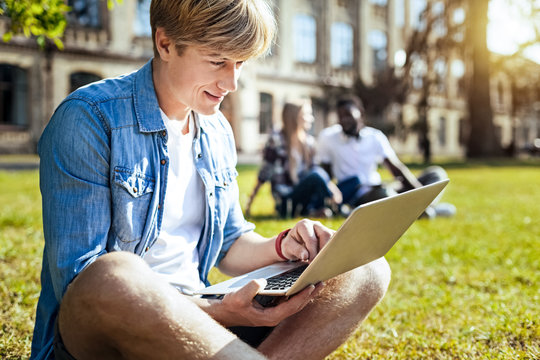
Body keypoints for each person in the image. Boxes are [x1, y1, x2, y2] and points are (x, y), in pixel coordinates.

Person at [31, 2, 391, 360]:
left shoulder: (216, 130)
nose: (231, 83)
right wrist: (215, 312)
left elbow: (229, 242)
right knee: (114, 272)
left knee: (366, 268)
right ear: (165, 44)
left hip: (205, 325)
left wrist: (284, 246)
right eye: (219, 61)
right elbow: (80, 284)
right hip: (115, 330)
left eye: (240, 63)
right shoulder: (89, 118)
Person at [316, 95, 454, 216]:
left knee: (436, 174)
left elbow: (396, 168)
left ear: (361, 114)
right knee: (385, 195)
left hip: (378, 186)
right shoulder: (329, 137)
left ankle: (424, 208)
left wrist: (420, 194)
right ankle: (427, 211)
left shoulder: (375, 137)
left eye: (348, 114)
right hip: (357, 195)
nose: (344, 120)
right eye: (340, 116)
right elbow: (325, 174)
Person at [245, 100, 341, 218]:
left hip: (303, 195)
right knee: (316, 175)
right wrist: (250, 202)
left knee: (352, 181)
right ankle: (333, 209)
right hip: (287, 200)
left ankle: (319, 209)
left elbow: (316, 170)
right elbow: (264, 172)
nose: (311, 118)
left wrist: (334, 188)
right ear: (295, 117)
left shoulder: (308, 142)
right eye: (307, 114)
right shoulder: (276, 140)